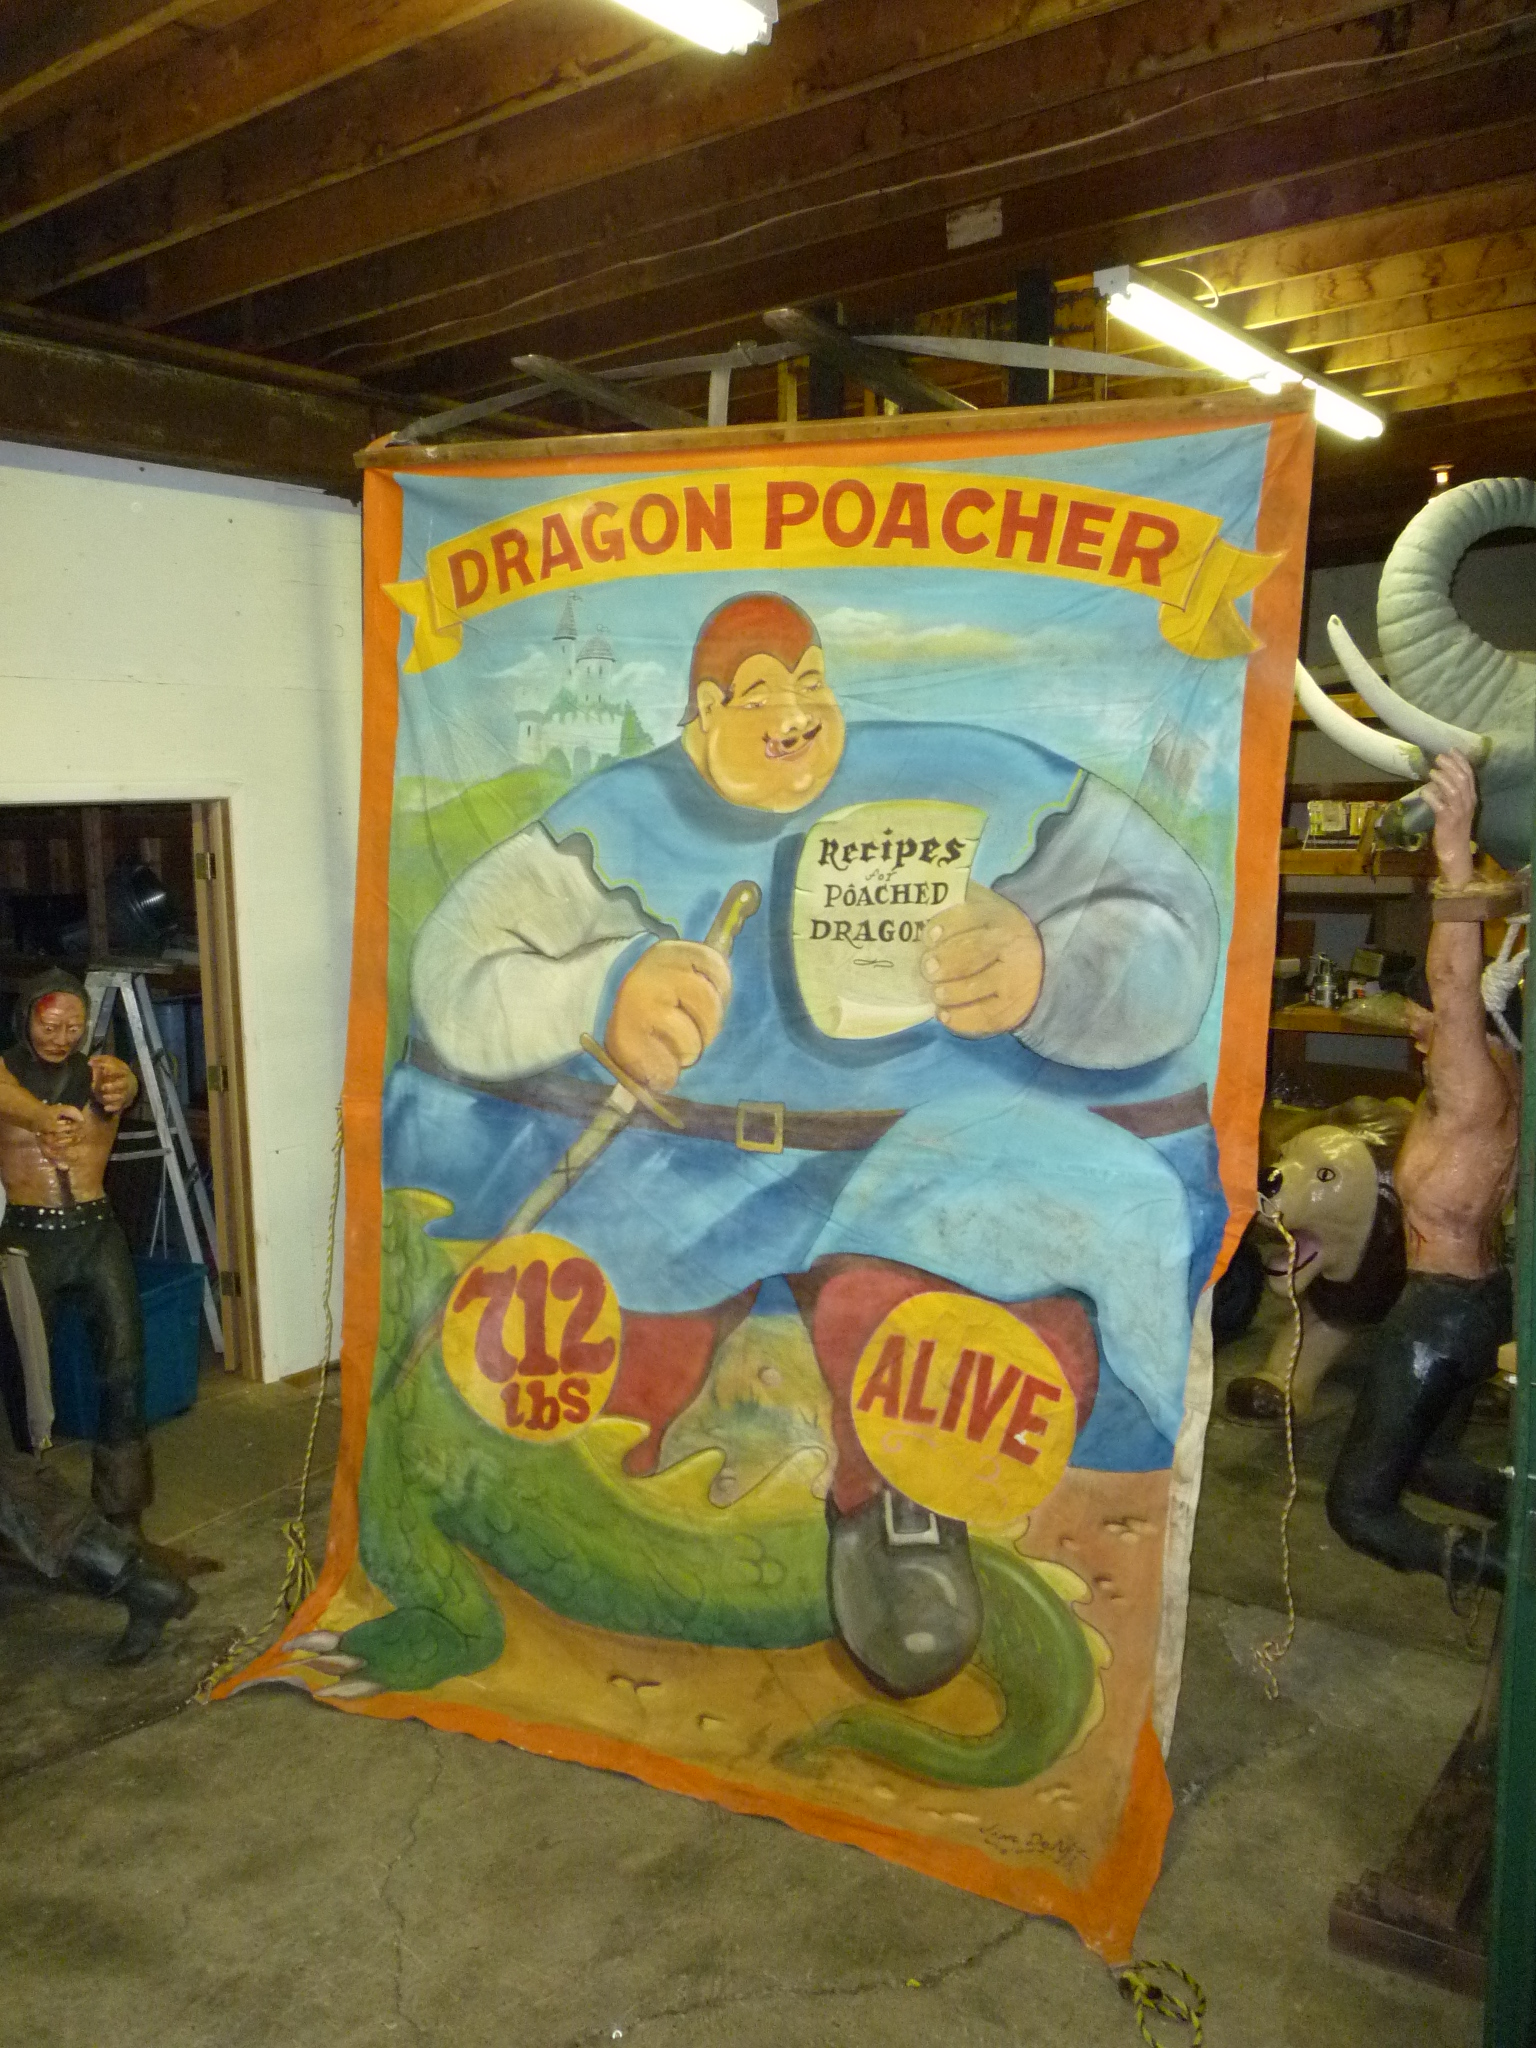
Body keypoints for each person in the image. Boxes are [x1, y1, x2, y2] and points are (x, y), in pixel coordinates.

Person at [393, 593, 1224, 1695]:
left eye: (811, 683)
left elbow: (1173, 920)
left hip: (931, 1162)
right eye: (757, 695)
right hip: (687, 1169)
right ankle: (604, 1501)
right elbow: (456, 968)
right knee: (615, 1339)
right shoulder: (621, 818)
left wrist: (1048, 965)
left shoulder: (986, 777)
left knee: (929, 1315)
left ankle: (899, 1502)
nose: (794, 714)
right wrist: (598, 990)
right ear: (701, 715)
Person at [1325, 750, 1521, 1592]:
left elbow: (1453, 979)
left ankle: (1507, 1570)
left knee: (1357, 1508)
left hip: (1439, 1309)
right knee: (1434, 1464)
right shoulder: (1507, 1078)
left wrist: (1452, 852)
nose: (1419, 1027)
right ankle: (1520, 1515)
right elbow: (1448, 1004)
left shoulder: (1469, 1080)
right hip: (1484, 1296)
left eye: (1428, 1020)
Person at [0, 970, 155, 1531]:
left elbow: (123, 1085)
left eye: (73, 1027)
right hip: (27, 1239)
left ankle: (123, 1517)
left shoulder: (98, 1073)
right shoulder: (5, 1071)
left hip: (95, 1232)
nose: (60, 1037)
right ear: (26, 1018)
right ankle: (31, 1522)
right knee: (23, 1384)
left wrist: (128, 1085)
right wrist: (41, 1117)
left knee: (124, 1369)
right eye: (49, 1025)